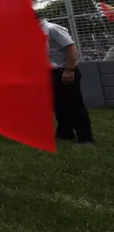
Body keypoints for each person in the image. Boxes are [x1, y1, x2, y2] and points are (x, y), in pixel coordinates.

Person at [40, 16, 94, 145]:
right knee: (58, 105)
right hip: (49, 72)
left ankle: (85, 137)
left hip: (63, 70)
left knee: (74, 105)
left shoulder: (52, 29)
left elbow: (71, 48)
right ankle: (65, 132)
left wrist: (70, 70)